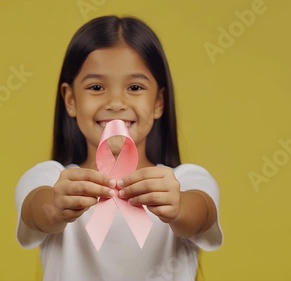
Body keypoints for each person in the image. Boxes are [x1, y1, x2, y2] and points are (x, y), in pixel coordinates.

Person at [15, 15, 223, 281]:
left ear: (159, 102)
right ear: (70, 100)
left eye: (134, 87)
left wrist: (179, 206)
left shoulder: (185, 181)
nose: (115, 102)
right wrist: (55, 207)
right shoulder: (50, 179)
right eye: (96, 87)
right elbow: (35, 210)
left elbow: (201, 214)